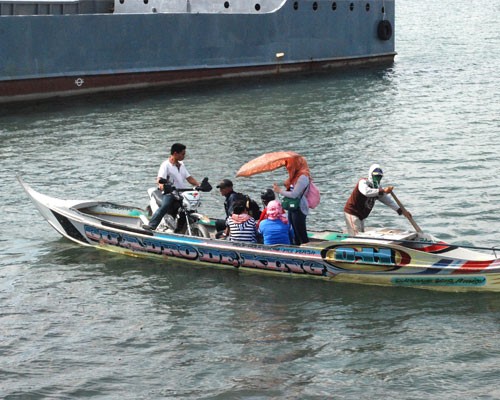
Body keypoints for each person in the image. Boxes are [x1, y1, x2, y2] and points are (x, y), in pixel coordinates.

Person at [143, 143, 200, 231]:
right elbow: (159, 180)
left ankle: (182, 227)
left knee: (190, 207)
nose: (184, 156)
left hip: (181, 193)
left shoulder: (181, 165)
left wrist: (199, 185)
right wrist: (164, 187)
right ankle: (152, 225)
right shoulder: (165, 165)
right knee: (165, 206)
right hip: (170, 193)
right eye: (182, 154)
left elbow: (189, 178)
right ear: (175, 153)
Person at [343, 164, 411, 236]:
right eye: (375, 176)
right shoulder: (363, 182)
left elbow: (387, 200)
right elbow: (366, 192)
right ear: (371, 175)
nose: (377, 178)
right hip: (352, 212)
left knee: (361, 234)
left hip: (361, 215)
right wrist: (383, 191)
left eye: (379, 176)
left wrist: (401, 211)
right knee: (356, 236)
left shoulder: (378, 188)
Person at [273, 156, 311, 245]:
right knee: (294, 231)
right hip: (292, 207)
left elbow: (294, 194)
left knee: (300, 232)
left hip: (299, 207)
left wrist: (279, 191)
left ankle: (306, 251)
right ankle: (296, 248)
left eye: (291, 166)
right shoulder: (294, 176)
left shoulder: (303, 177)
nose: (289, 168)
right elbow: (291, 188)